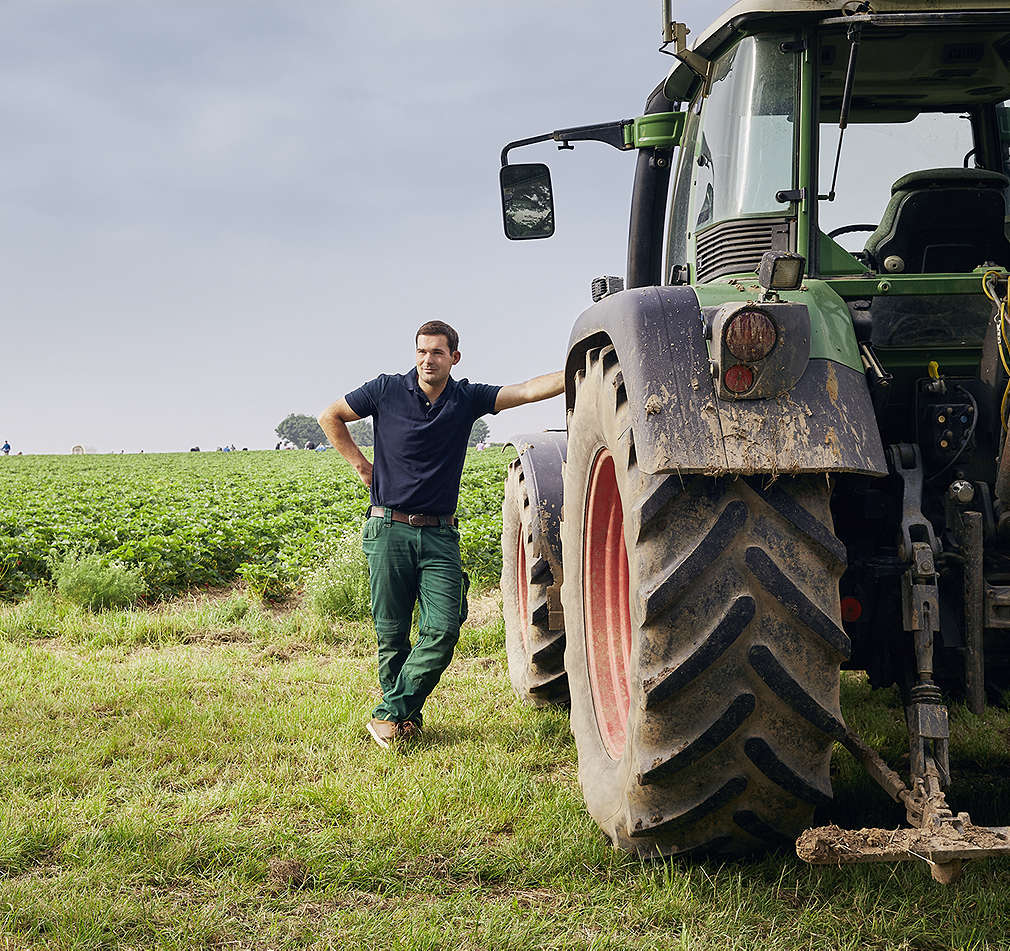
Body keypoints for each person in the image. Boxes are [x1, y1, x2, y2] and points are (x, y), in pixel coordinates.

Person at [318, 319, 563, 749]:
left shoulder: (466, 397)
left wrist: (578, 365)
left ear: (454, 357)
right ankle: (405, 723)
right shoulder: (385, 390)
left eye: (436, 352)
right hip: (387, 528)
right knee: (391, 633)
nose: (427, 360)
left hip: (439, 535)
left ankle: (389, 713)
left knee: (445, 627)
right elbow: (331, 415)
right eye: (421, 351)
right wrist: (362, 467)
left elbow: (525, 390)